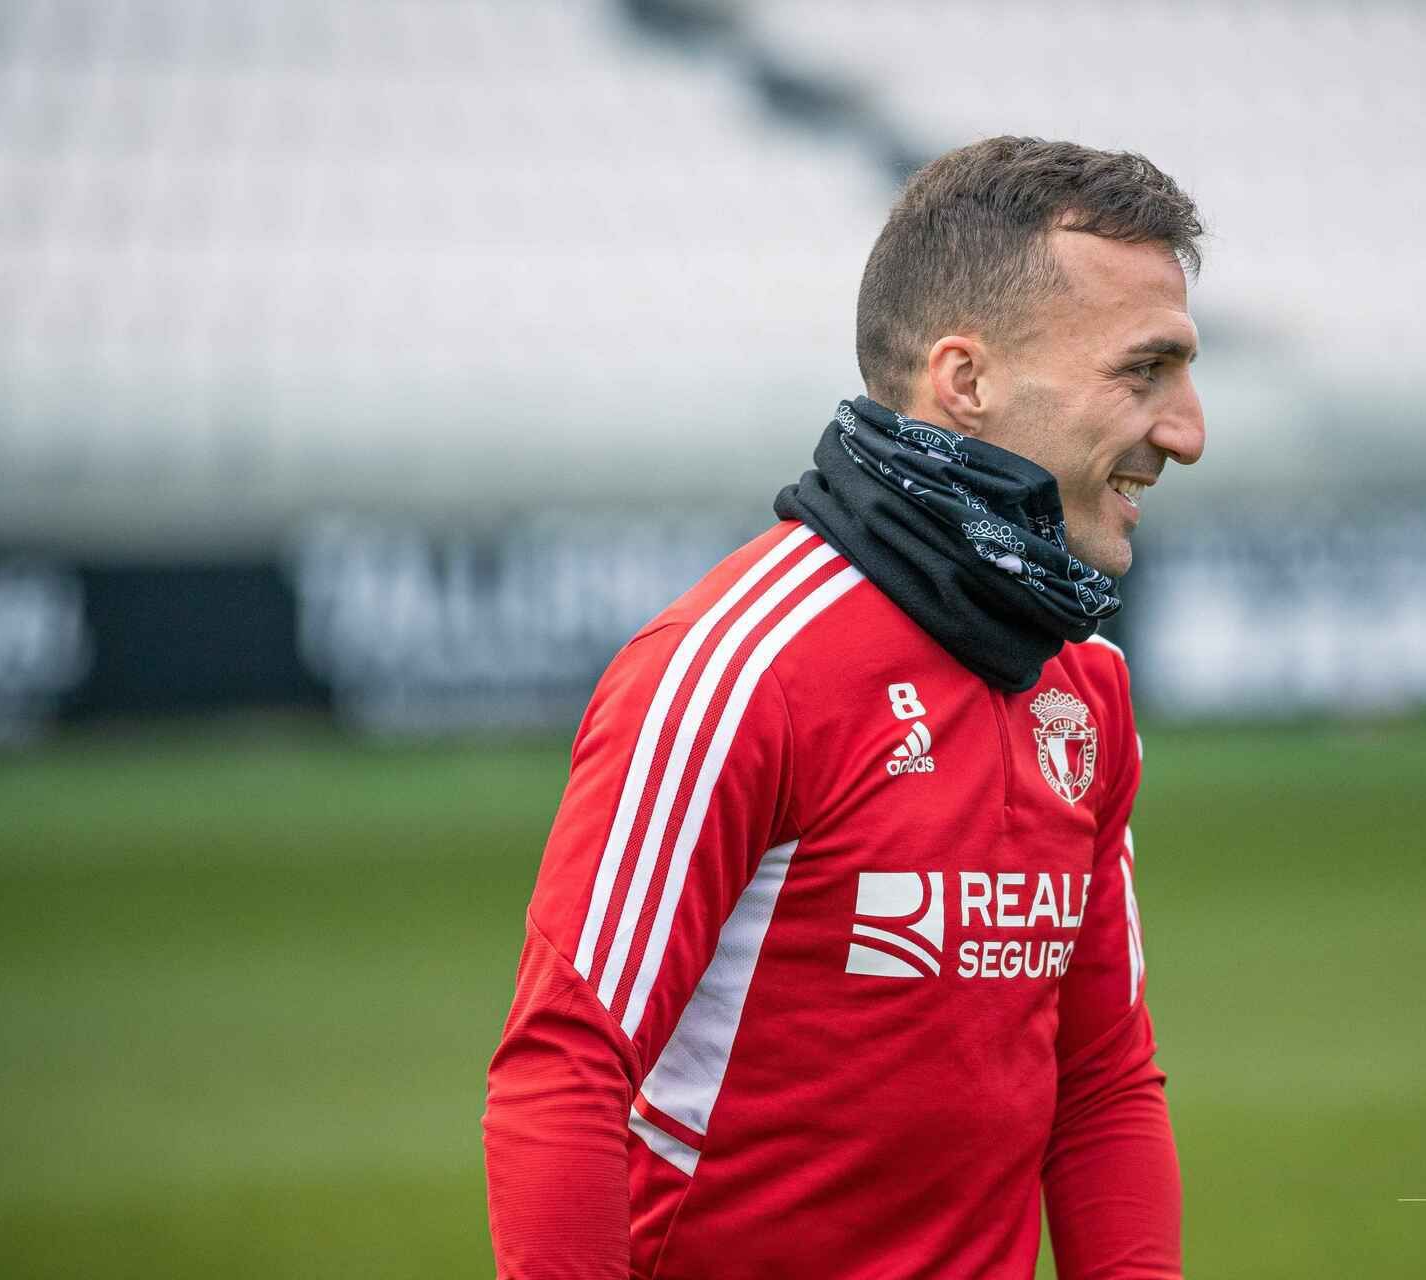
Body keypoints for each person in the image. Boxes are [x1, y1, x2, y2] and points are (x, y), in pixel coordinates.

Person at [483, 135, 1206, 1279]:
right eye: (1143, 372)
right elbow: (563, 1069)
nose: (1188, 431)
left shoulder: (1085, 686)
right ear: (966, 382)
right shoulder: (733, 670)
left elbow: (1102, 1081)